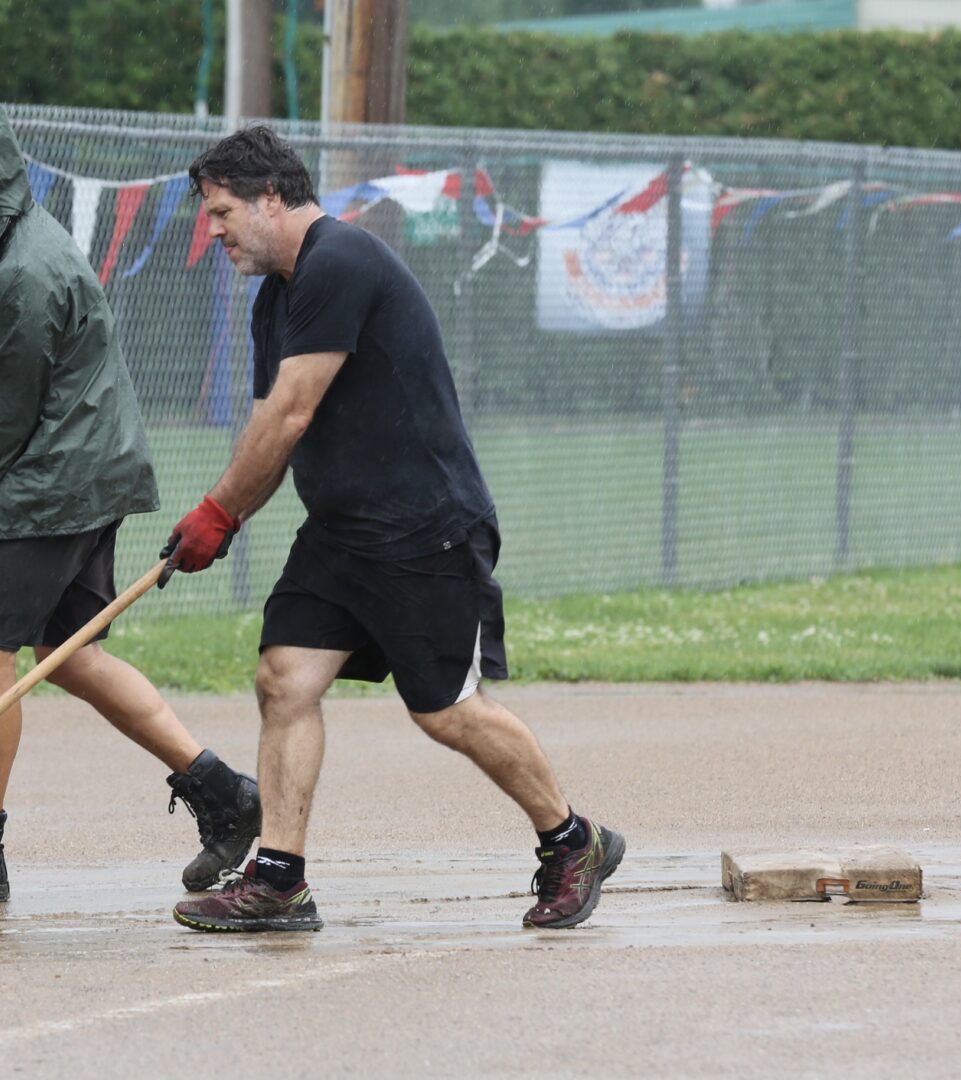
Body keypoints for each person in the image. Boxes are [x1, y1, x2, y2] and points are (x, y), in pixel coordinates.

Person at [163, 126, 624, 933]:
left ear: (272, 198)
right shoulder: (277, 295)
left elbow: (292, 408)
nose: (214, 230)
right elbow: (282, 427)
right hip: (342, 531)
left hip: (425, 529)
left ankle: (573, 840)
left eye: (223, 210)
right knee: (285, 680)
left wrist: (220, 510)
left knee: (445, 711)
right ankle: (278, 881)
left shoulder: (340, 262)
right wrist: (223, 519)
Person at [0, 88, 261, 906]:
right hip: (72, 471)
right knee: (70, 654)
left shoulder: (26, 272)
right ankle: (224, 793)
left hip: (54, 480)